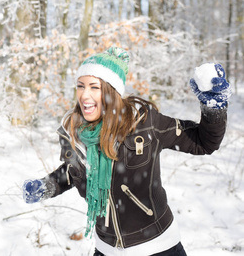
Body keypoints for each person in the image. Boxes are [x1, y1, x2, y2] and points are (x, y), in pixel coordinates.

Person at [22, 47, 231, 256]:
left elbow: (203, 142)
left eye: (94, 87)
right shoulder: (74, 132)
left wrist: (214, 108)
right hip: (106, 249)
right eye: (80, 86)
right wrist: (46, 186)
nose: (85, 95)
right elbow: (73, 171)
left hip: (158, 247)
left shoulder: (145, 123)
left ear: (112, 91)